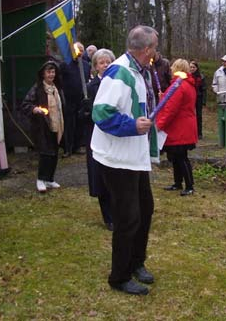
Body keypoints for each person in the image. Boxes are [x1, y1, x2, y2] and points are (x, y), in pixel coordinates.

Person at [91, 25, 158, 295]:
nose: (156, 52)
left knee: (145, 209)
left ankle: (136, 262)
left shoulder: (139, 70)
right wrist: (132, 126)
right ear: (145, 49)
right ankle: (119, 276)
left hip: (135, 155)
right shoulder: (119, 72)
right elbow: (101, 113)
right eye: (154, 47)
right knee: (128, 217)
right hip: (117, 158)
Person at [83, 49, 115, 231]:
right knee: (100, 175)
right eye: (102, 63)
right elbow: (82, 117)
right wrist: (86, 111)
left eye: (108, 62)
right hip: (96, 136)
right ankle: (108, 216)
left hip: (114, 135)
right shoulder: (90, 88)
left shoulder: (117, 84)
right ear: (96, 67)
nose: (105, 65)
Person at [156, 59, 198, 196]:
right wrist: (163, 97)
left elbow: (170, 109)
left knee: (181, 157)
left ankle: (189, 185)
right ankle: (178, 183)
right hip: (184, 125)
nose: (171, 69)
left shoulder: (178, 86)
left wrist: (159, 125)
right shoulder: (186, 84)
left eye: (173, 67)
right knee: (177, 156)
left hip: (180, 127)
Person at [21, 61, 64, 193]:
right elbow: (26, 104)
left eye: (53, 72)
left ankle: (50, 179)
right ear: (43, 74)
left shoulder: (57, 88)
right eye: (48, 72)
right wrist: (35, 109)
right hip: (42, 125)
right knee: (45, 153)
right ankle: (41, 179)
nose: (51, 74)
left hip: (57, 124)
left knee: (54, 153)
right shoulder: (38, 88)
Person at [60, 42, 91, 157]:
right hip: (69, 99)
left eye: (82, 50)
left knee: (80, 123)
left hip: (82, 99)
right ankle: (68, 148)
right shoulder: (65, 65)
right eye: (77, 50)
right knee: (69, 124)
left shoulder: (86, 65)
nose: (79, 52)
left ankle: (78, 145)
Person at [189, 60, 206, 139]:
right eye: (191, 67)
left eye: (193, 67)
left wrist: (204, 101)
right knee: (190, 114)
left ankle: (199, 133)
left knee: (199, 116)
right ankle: (191, 132)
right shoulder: (188, 76)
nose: (192, 69)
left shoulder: (201, 77)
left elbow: (204, 89)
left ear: (196, 68)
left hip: (198, 97)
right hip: (190, 98)